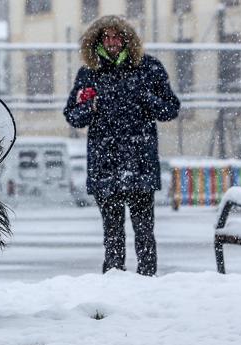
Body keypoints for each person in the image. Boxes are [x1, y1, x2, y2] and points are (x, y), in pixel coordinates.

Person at [63, 15, 180, 276]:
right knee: (112, 233)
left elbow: (170, 109)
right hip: (105, 164)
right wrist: (89, 107)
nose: (112, 42)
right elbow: (72, 115)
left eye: (117, 36)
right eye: (106, 36)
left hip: (140, 162)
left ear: (127, 39)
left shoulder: (149, 68)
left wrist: (146, 97)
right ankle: (113, 281)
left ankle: (147, 279)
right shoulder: (89, 73)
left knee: (144, 231)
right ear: (97, 40)